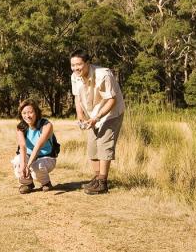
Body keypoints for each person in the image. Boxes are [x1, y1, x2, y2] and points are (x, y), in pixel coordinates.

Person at [70, 49, 125, 195]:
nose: (75, 68)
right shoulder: (75, 77)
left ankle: (102, 182)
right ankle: (96, 178)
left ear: (87, 63)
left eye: (79, 64)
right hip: (93, 114)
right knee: (92, 146)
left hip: (111, 112)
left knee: (104, 144)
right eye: (73, 65)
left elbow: (112, 100)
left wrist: (97, 117)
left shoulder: (103, 75)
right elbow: (77, 97)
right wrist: (80, 115)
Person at [12, 99, 57, 194]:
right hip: (29, 155)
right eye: (24, 113)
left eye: (30, 112)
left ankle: (46, 183)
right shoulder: (21, 127)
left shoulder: (46, 125)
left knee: (36, 166)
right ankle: (27, 184)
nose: (27, 116)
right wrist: (23, 164)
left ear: (36, 112)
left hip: (46, 157)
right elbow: (22, 146)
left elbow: (38, 146)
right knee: (18, 161)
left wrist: (28, 165)